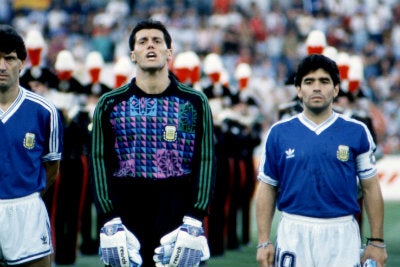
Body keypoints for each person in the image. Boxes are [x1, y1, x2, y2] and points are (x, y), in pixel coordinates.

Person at [91, 19, 216, 267]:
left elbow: (206, 159)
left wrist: (195, 217)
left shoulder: (194, 102)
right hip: (126, 208)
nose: (151, 46)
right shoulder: (109, 103)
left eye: (157, 41)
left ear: (169, 53)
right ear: (133, 54)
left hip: (177, 206)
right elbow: (98, 160)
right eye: (143, 41)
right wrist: (109, 217)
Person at [255, 54, 387, 267]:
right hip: (294, 230)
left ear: (336, 89)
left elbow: (370, 187)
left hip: (342, 232)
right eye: (309, 82)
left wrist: (377, 242)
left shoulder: (357, 131)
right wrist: (263, 242)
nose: (316, 87)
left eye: (324, 81)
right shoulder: (279, 133)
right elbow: (267, 187)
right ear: (298, 90)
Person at [0, 24, 63, 267]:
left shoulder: (44, 111)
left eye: (9, 58)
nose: (2, 66)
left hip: (27, 211)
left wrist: (26, 195)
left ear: (22, 63)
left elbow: (52, 167)